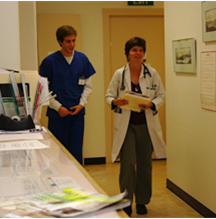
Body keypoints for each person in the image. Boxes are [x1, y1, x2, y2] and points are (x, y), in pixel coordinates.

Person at [105, 37, 167, 216]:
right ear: (127, 53)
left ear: (144, 53)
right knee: (127, 164)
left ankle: (142, 201)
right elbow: (108, 96)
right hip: (127, 126)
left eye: (140, 50)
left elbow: (161, 95)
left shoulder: (152, 73)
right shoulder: (119, 74)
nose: (138, 53)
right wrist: (116, 101)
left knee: (145, 165)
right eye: (134, 50)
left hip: (146, 126)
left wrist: (151, 104)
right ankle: (125, 202)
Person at [39, 25, 96, 165]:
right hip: (57, 115)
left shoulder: (82, 59)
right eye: (68, 41)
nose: (72, 45)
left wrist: (81, 104)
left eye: (73, 40)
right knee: (58, 154)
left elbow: (88, 87)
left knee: (76, 153)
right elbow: (43, 90)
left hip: (77, 114)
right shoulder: (49, 62)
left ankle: (77, 184)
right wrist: (58, 108)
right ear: (60, 42)